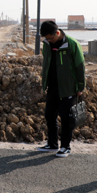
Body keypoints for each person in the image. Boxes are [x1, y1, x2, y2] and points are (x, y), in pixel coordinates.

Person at [36, 20, 85, 158]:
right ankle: (52, 144)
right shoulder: (47, 44)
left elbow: (80, 66)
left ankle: (65, 147)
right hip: (52, 86)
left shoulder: (72, 44)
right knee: (49, 115)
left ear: (57, 33)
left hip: (68, 88)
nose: (49, 41)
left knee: (66, 118)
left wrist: (80, 86)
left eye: (51, 38)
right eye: (46, 39)